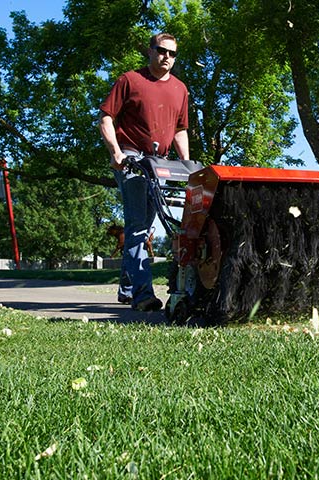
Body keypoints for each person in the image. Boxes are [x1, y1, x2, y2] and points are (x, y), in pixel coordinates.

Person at [99, 33, 189, 311]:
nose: (167, 58)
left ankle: (127, 289)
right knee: (139, 227)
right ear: (150, 51)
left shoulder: (180, 89)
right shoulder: (130, 80)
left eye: (172, 54)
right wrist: (116, 152)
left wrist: (188, 165)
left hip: (160, 162)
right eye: (162, 51)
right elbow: (105, 117)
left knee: (145, 227)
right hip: (131, 158)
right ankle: (142, 295)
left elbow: (180, 130)